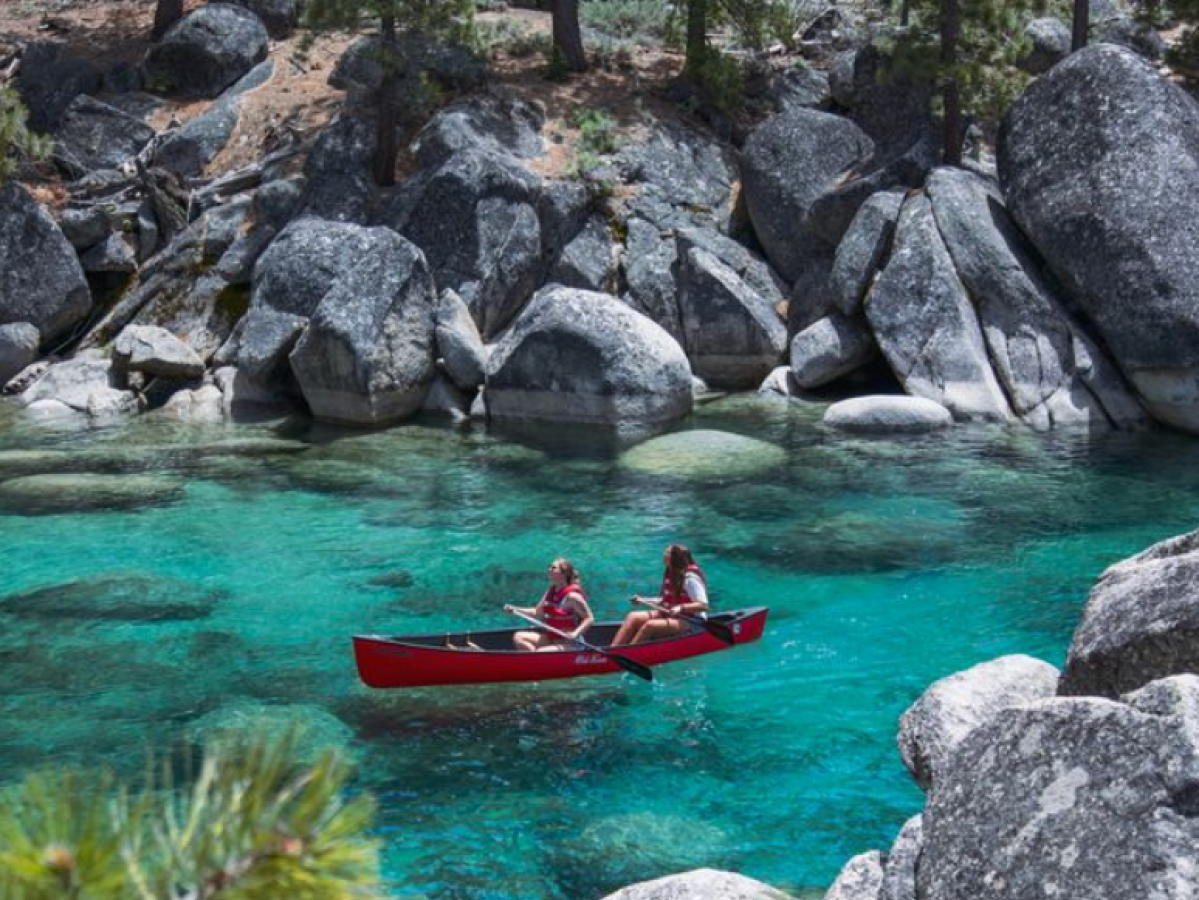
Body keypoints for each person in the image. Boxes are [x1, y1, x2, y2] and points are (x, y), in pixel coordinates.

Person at [612, 544, 709, 646]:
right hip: (672, 615)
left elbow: (703, 605)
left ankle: (629, 653)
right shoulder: (672, 572)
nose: (663, 555)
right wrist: (643, 600)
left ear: (675, 558)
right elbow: (666, 600)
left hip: (692, 621)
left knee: (650, 625)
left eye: (667, 553)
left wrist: (681, 608)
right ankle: (613, 649)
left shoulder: (690, 578)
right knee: (633, 617)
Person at [504, 558, 595, 652]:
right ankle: (536, 663)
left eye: (553, 568)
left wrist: (574, 634)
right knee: (519, 637)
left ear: (564, 574)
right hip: (552, 639)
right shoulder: (550, 592)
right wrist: (515, 609)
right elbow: (537, 612)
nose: (549, 569)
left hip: (569, 644)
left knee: (541, 652)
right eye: (549, 567)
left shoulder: (572, 596)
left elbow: (589, 618)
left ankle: (538, 661)